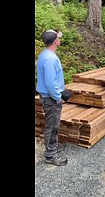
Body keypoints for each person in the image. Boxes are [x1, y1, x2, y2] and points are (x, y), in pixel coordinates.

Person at [36, 29, 68, 166]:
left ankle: (52, 148)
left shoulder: (45, 54)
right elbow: (50, 82)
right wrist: (58, 97)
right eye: (58, 38)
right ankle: (50, 155)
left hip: (48, 96)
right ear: (55, 41)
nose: (59, 40)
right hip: (51, 98)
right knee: (53, 126)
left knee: (52, 124)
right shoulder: (50, 58)